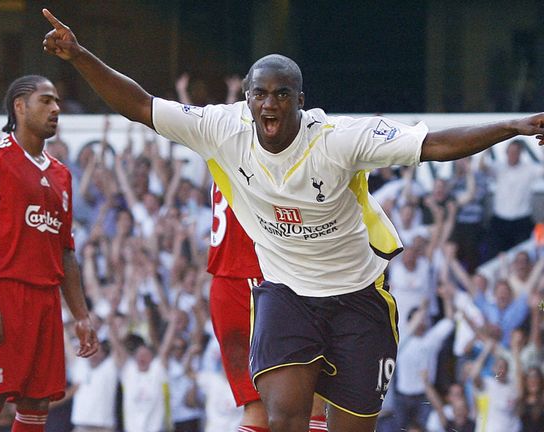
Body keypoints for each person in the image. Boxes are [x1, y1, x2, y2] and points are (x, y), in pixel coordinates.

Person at [41, 9, 544, 432]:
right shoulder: (222, 128)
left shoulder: (338, 140)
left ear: (301, 101)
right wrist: (80, 55)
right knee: (283, 419)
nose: (269, 103)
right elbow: (141, 106)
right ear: (248, 99)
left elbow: (433, 144)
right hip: (285, 294)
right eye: (261, 93)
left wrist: (514, 126)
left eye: (282, 94)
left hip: (357, 297)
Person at [0, 74, 99, 432]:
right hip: (5, 292)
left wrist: (80, 315)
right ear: (20, 106)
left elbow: (66, 251)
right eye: (46, 101)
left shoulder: (62, 175)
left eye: (57, 102)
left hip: (46, 299)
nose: (56, 109)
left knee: (36, 404)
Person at [208, 182, 327, 432]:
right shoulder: (260, 148)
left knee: (257, 410)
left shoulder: (220, 149)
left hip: (227, 286)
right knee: (312, 399)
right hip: (256, 281)